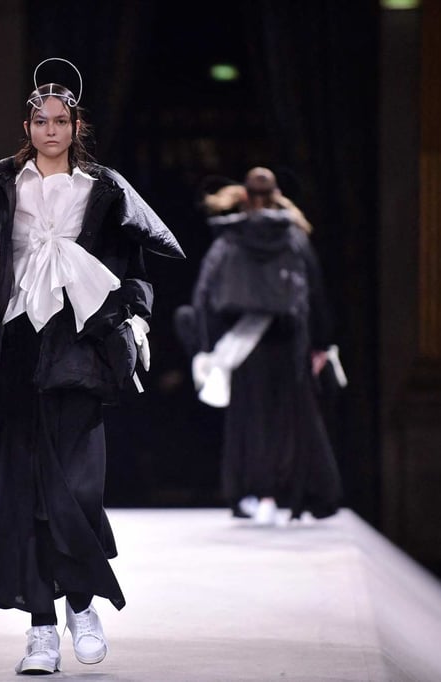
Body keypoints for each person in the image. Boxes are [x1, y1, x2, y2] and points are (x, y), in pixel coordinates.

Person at [0, 58, 183, 675]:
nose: (50, 130)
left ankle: (80, 603)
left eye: (60, 120)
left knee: (75, 488)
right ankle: (40, 631)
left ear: (77, 126)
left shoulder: (103, 190)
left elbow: (130, 264)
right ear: (26, 126)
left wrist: (137, 320)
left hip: (79, 348)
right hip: (14, 350)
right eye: (40, 121)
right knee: (17, 494)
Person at [180, 167, 341, 526]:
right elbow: (315, 291)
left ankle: (253, 494)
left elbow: (205, 295)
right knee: (293, 419)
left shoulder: (229, 240)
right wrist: (321, 343)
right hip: (289, 337)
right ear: (277, 195)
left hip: (243, 343)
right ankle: (295, 498)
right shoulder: (294, 237)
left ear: (244, 196)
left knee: (249, 419)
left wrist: (208, 346)